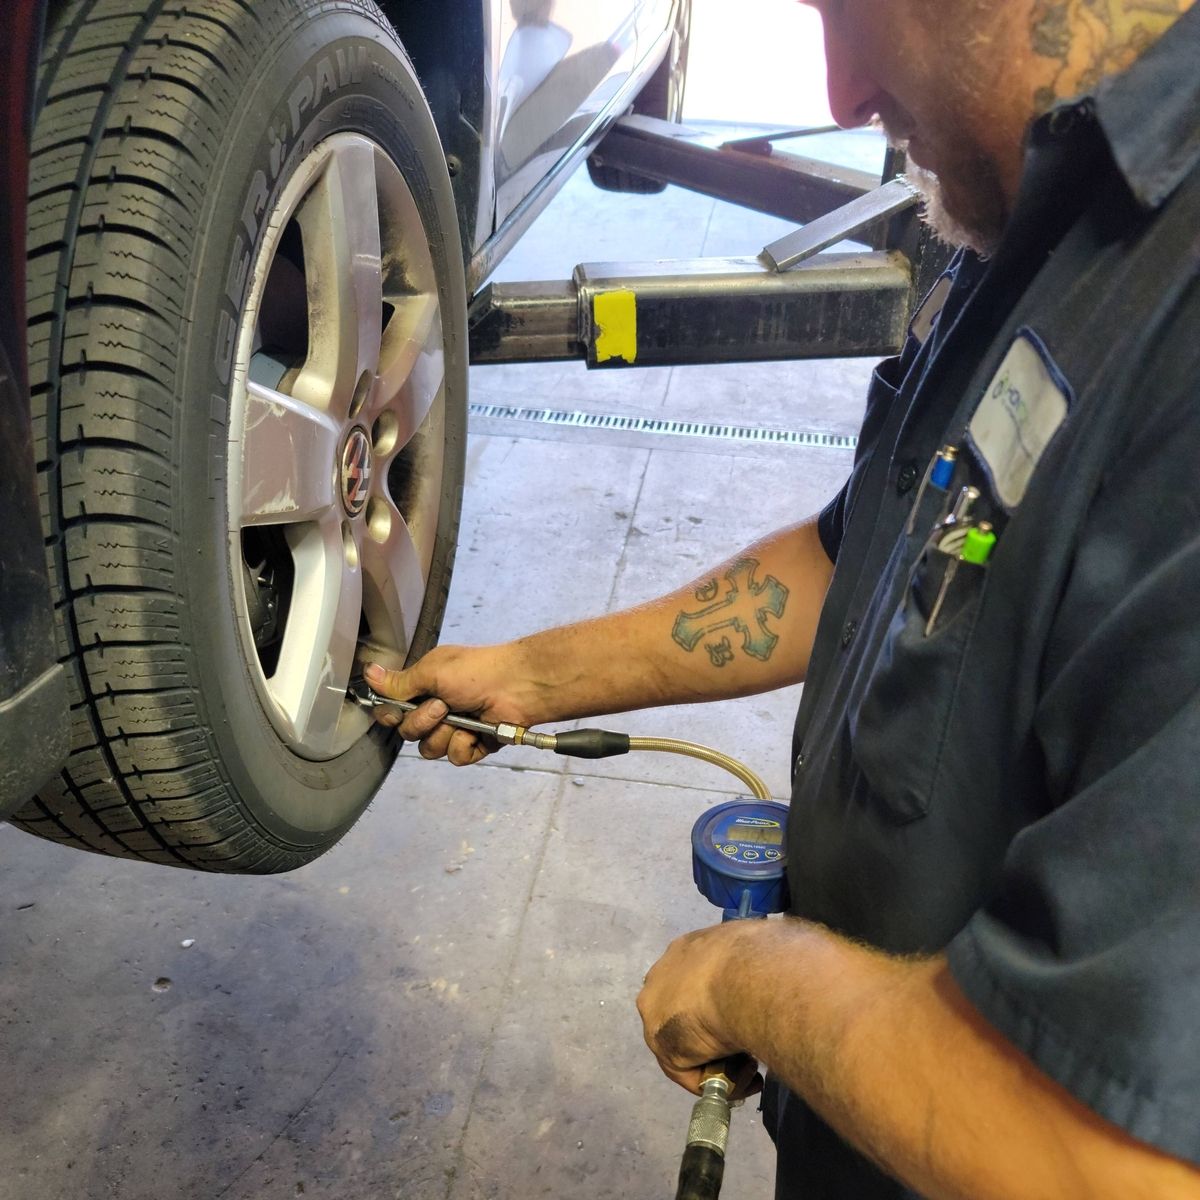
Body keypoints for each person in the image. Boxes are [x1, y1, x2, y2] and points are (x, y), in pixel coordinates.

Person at [364, 0, 1200, 1194]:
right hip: (875, 1123)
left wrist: (753, 980)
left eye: (850, 14)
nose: (842, 89)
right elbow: (861, 560)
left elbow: (1100, 1157)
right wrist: (532, 676)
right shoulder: (1038, 207)